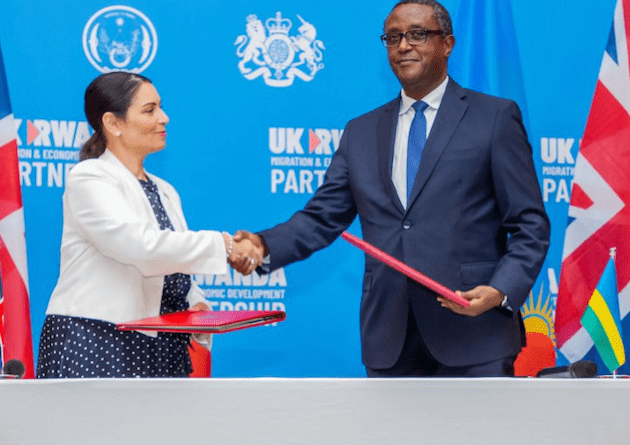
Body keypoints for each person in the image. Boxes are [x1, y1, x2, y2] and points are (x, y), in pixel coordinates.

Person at [233, 0, 550, 377]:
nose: (403, 46)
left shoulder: (494, 117)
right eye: (393, 37)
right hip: (389, 338)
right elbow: (321, 218)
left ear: (447, 44)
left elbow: (531, 225)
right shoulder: (361, 132)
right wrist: (264, 245)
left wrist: (500, 290)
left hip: (474, 334)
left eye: (417, 35)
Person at [37, 72, 261, 378]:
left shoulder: (165, 190)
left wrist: (194, 303)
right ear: (112, 123)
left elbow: (170, 265)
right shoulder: (89, 177)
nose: (164, 118)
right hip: (97, 338)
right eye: (149, 110)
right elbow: (140, 247)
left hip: (162, 341)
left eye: (161, 107)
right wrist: (225, 245)